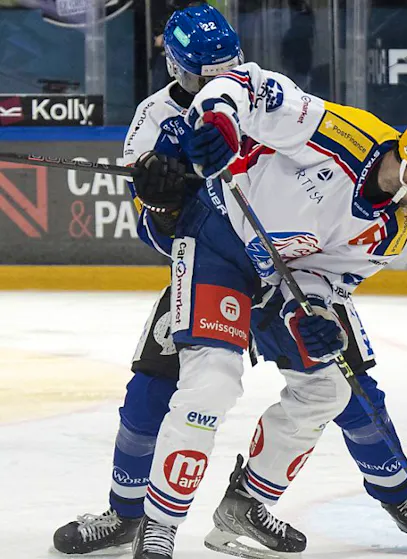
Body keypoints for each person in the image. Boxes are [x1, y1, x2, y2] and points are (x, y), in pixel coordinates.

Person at [127, 57, 407, 558]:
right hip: (218, 242)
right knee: (212, 383)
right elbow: (246, 82)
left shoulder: (392, 230)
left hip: (278, 275)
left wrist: (314, 312)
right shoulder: (337, 132)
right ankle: (158, 529)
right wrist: (222, 119)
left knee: (328, 387)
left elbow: (329, 276)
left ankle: (245, 504)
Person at [52, 4, 249, 555]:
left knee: (334, 388)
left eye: (226, 67)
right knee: (148, 395)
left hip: (284, 268)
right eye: (198, 75)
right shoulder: (154, 120)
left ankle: (259, 507)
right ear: (173, 68)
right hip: (209, 268)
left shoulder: (261, 97)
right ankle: (125, 516)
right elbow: (157, 235)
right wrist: (162, 203)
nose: (216, 83)